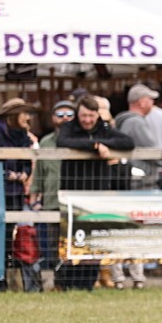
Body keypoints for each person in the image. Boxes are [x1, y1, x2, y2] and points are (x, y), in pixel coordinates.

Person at [56, 97, 137, 290]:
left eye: (91, 116)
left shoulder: (104, 128)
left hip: (96, 193)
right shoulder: (69, 127)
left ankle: (88, 283)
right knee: (72, 238)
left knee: (93, 239)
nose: (87, 120)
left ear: (97, 115)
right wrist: (94, 146)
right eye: (83, 115)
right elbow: (63, 141)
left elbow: (128, 142)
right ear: (78, 114)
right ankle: (67, 282)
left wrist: (100, 142)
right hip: (73, 192)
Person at [0, 98, 39, 292]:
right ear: (13, 115)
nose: (28, 117)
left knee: (7, 237)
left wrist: (23, 173)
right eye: (24, 112)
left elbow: (27, 162)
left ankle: (2, 280)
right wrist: (5, 174)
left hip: (15, 194)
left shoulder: (23, 136)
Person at [29, 100, 77, 288]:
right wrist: (34, 198)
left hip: (73, 202)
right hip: (50, 201)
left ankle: (69, 284)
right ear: (52, 118)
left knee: (72, 246)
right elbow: (39, 172)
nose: (64, 118)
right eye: (60, 114)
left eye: (69, 114)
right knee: (49, 248)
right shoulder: (45, 141)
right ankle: (52, 283)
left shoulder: (78, 140)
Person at [114, 84, 162, 189]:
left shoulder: (123, 120)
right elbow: (153, 150)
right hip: (141, 179)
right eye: (150, 99)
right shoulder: (136, 122)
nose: (152, 103)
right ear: (142, 103)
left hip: (131, 175)